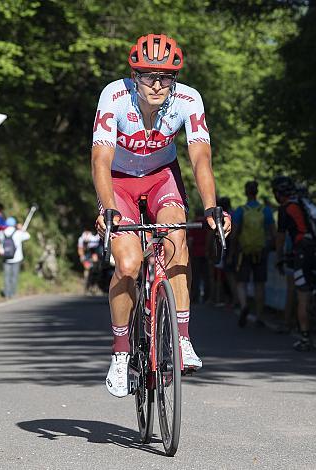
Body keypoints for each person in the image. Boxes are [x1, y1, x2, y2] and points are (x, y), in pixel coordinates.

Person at [91, 33, 231, 397]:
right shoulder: (113, 97)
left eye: (165, 77)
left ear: (175, 79)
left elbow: (200, 157)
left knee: (176, 241)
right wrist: (108, 208)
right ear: (133, 75)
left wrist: (211, 206)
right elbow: (100, 161)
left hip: (161, 178)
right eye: (148, 75)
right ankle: (121, 353)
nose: (156, 84)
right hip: (119, 182)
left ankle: (182, 338)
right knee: (127, 262)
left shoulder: (188, 100)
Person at [272, 176, 316, 351]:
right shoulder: (306, 204)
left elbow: (281, 238)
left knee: (303, 296)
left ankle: (305, 337)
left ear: (278, 193)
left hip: (303, 252)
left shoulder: (286, 208)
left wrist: (279, 257)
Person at [231, 181, 275, 327]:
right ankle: (259, 315)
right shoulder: (266, 211)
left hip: (244, 252)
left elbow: (235, 233)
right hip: (261, 251)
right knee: (259, 284)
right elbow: (273, 233)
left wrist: (232, 252)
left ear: (246, 192)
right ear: (257, 192)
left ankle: (244, 305)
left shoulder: (240, 211)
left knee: (241, 282)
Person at [0, 217, 30, 299]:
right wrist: (22, 229)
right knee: (14, 276)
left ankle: (6, 294)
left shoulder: (2, 232)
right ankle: (13, 294)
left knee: (6, 276)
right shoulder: (18, 233)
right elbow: (27, 236)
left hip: (6, 257)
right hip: (17, 258)